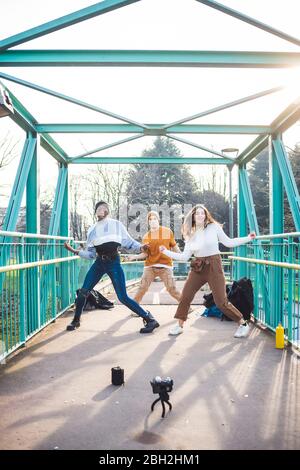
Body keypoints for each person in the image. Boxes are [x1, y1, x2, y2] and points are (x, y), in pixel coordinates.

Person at [160, 204, 256, 338]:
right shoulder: (190, 233)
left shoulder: (214, 227)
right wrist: (166, 252)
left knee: (221, 301)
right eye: (197, 213)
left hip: (214, 265)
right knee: (185, 296)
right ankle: (179, 325)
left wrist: (248, 238)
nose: (200, 215)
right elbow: (184, 257)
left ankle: (242, 323)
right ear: (193, 216)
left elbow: (228, 242)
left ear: (206, 215)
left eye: (202, 213)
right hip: (198, 266)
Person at [64, 201, 159, 334]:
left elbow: (128, 242)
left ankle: (150, 319)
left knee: (122, 297)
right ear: (96, 212)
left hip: (114, 262)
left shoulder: (116, 225)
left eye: (103, 208)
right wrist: (75, 251)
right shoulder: (92, 230)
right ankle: (76, 321)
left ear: (107, 212)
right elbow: (91, 254)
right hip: (99, 263)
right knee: (83, 292)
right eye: (98, 208)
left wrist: (141, 247)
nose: (100, 210)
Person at [126, 211, 182, 310]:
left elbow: (174, 246)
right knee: (142, 288)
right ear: (148, 222)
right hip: (150, 267)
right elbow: (145, 254)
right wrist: (134, 257)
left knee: (172, 289)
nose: (153, 221)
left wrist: (182, 255)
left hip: (165, 266)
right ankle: (135, 309)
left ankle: (185, 307)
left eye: (154, 219)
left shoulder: (167, 231)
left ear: (158, 220)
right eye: (150, 219)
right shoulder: (146, 237)